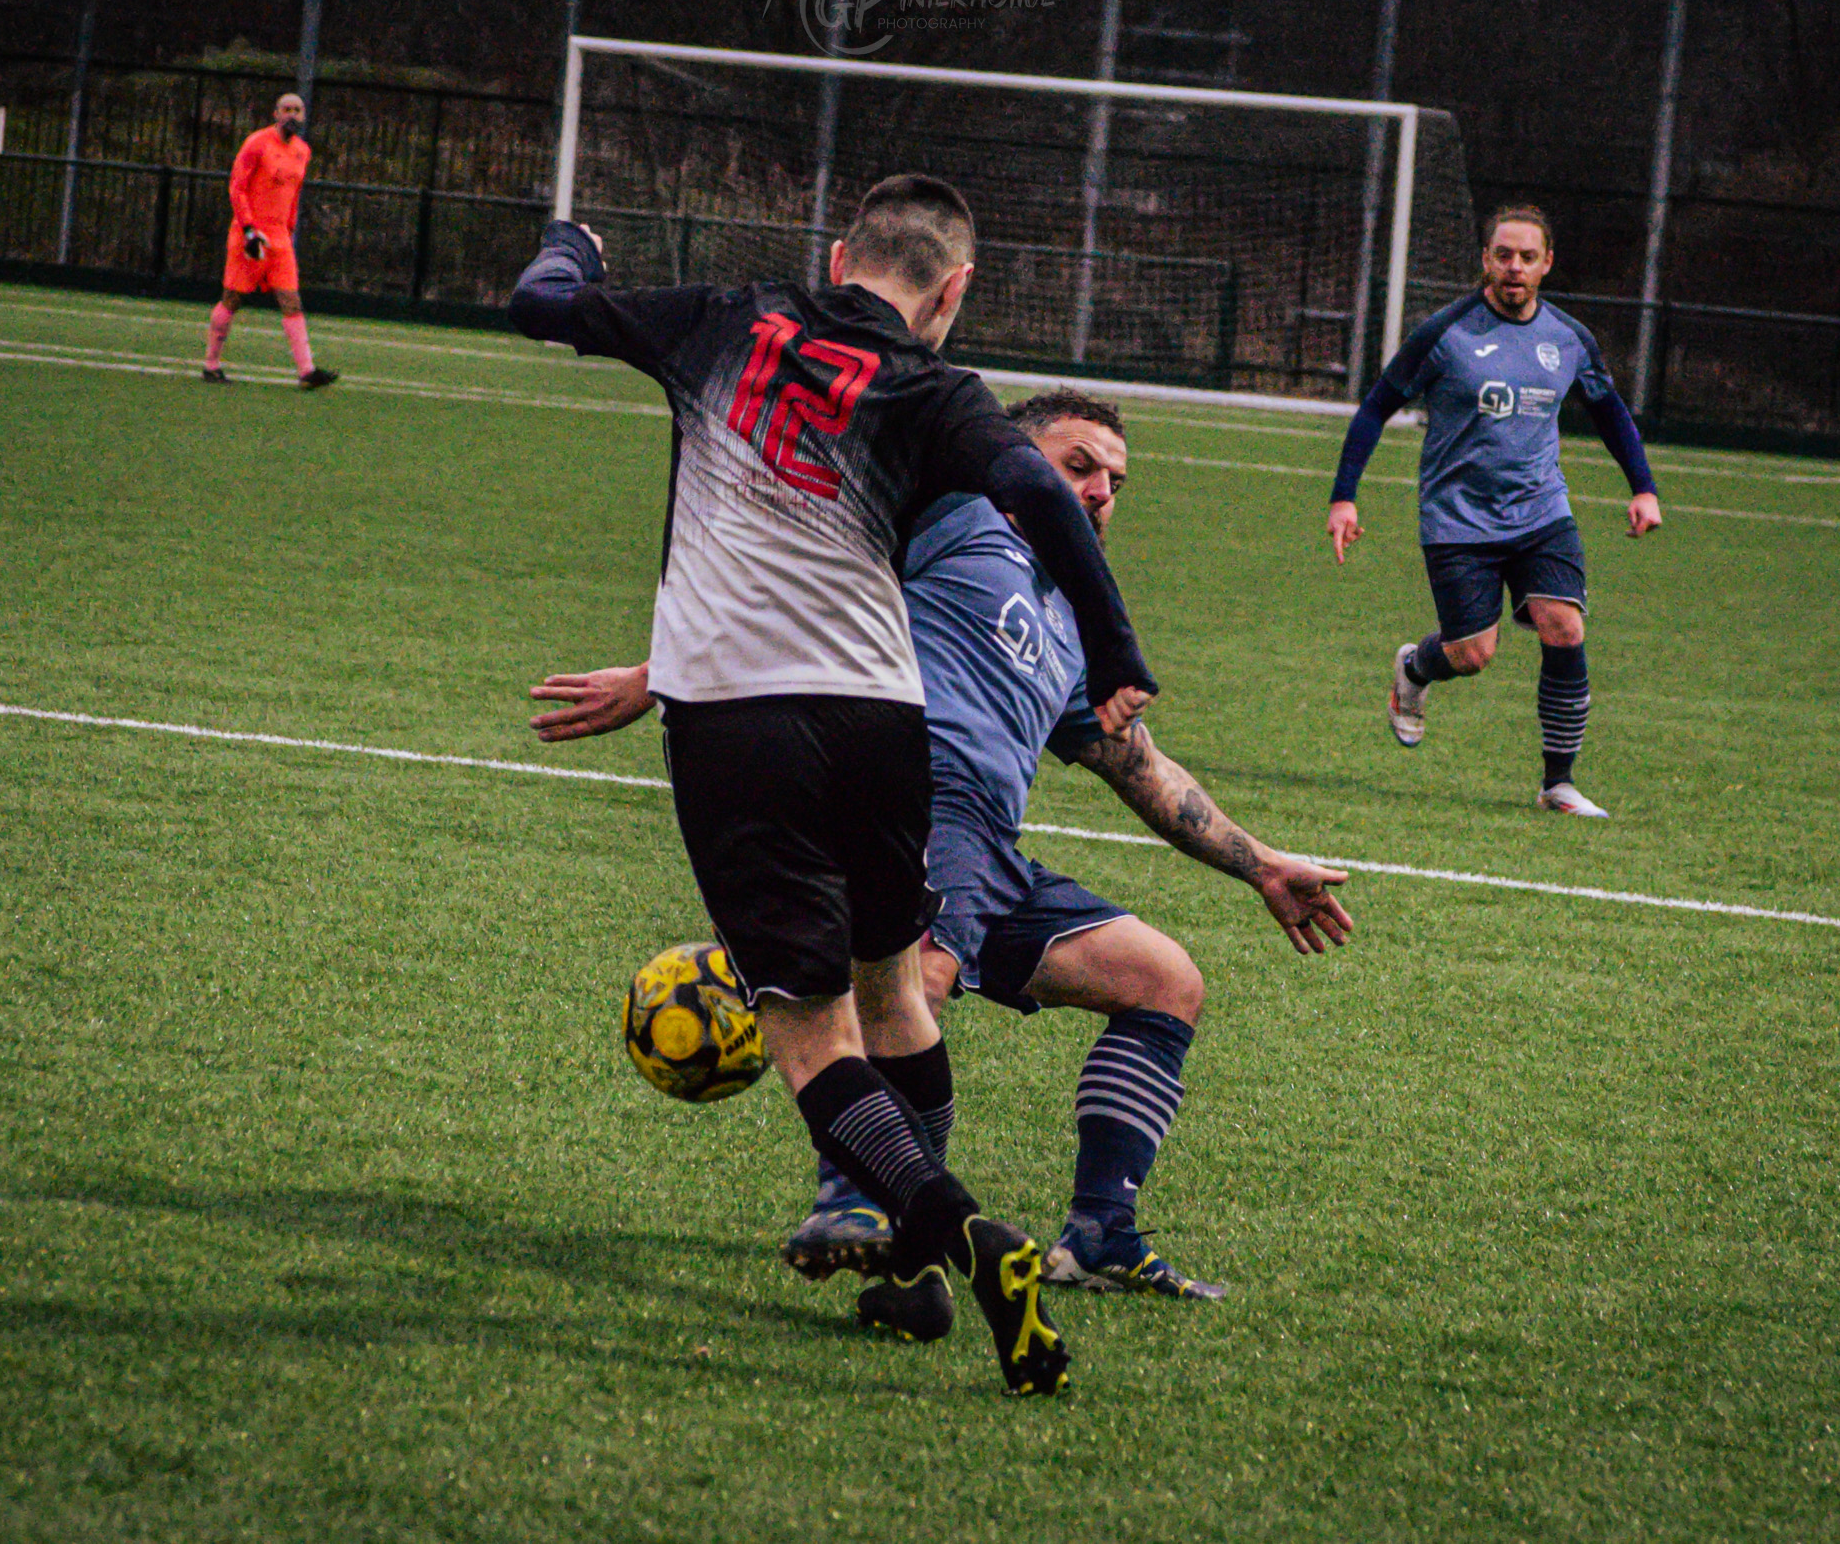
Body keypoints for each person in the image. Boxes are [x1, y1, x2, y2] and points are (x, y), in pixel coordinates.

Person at [506, 175, 1163, 1397]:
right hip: (881, 724)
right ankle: (905, 1276)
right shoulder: (935, 388)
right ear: (953, 290)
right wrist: (1117, 650)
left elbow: (542, 303)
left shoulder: (722, 317)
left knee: (810, 1035)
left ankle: (961, 1235)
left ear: (837, 249)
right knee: (892, 998)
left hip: (737, 724)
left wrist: (570, 241)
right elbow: (1033, 496)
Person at [531, 387, 1356, 1301]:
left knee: (1166, 982)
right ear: (1010, 457)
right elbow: (809, 584)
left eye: (1115, 482)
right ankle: (863, 1204)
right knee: (913, 980)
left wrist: (1263, 863)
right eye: (1075, 466)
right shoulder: (959, 520)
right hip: (916, 808)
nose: (1099, 493)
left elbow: (1145, 772)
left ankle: (1099, 1237)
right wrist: (659, 675)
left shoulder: (1075, 621)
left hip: (992, 852)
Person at [1326, 205, 1663, 817]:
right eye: (1503, 255)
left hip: (1541, 511)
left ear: (1546, 264)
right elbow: (1376, 406)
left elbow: (1609, 411)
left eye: (1527, 257)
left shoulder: (1569, 339)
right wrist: (1344, 496)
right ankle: (1415, 667)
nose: (1514, 267)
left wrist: (1643, 486)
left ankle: (1557, 783)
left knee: (1564, 626)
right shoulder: (1444, 333)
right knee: (1472, 655)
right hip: (1458, 519)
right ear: (1486, 260)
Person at [203, 92, 338, 390]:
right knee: (232, 299)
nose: (292, 115)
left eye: (298, 110)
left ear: (304, 116)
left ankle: (307, 371)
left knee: (291, 300)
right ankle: (211, 365)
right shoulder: (257, 143)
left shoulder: (302, 150)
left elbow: (293, 196)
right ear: (276, 114)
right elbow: (237, 188)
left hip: (279, 238)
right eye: (286, 109)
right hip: (249, 233)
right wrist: (249, 230)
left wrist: (288, 231)